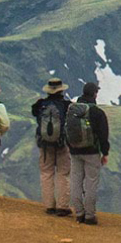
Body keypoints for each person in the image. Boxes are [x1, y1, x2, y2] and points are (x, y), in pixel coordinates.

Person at [64, 81, 111, 225]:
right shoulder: (97, 112)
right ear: (95, 94)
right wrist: (105, 152)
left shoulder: (72, 110)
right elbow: (103, 135)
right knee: (91, 183)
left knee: (75, 181)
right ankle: (90, 215)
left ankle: (79, 213)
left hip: (74, 150)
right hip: (91, 152)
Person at [31, 78, 73, 216]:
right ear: (61, 90)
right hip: (62, 143)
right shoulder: (67, 106)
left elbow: (35, 114)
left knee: (46, 173)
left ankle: (49, 205)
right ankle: (62, 206)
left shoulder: (40, 105)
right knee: (63, 173)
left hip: (44, 144)